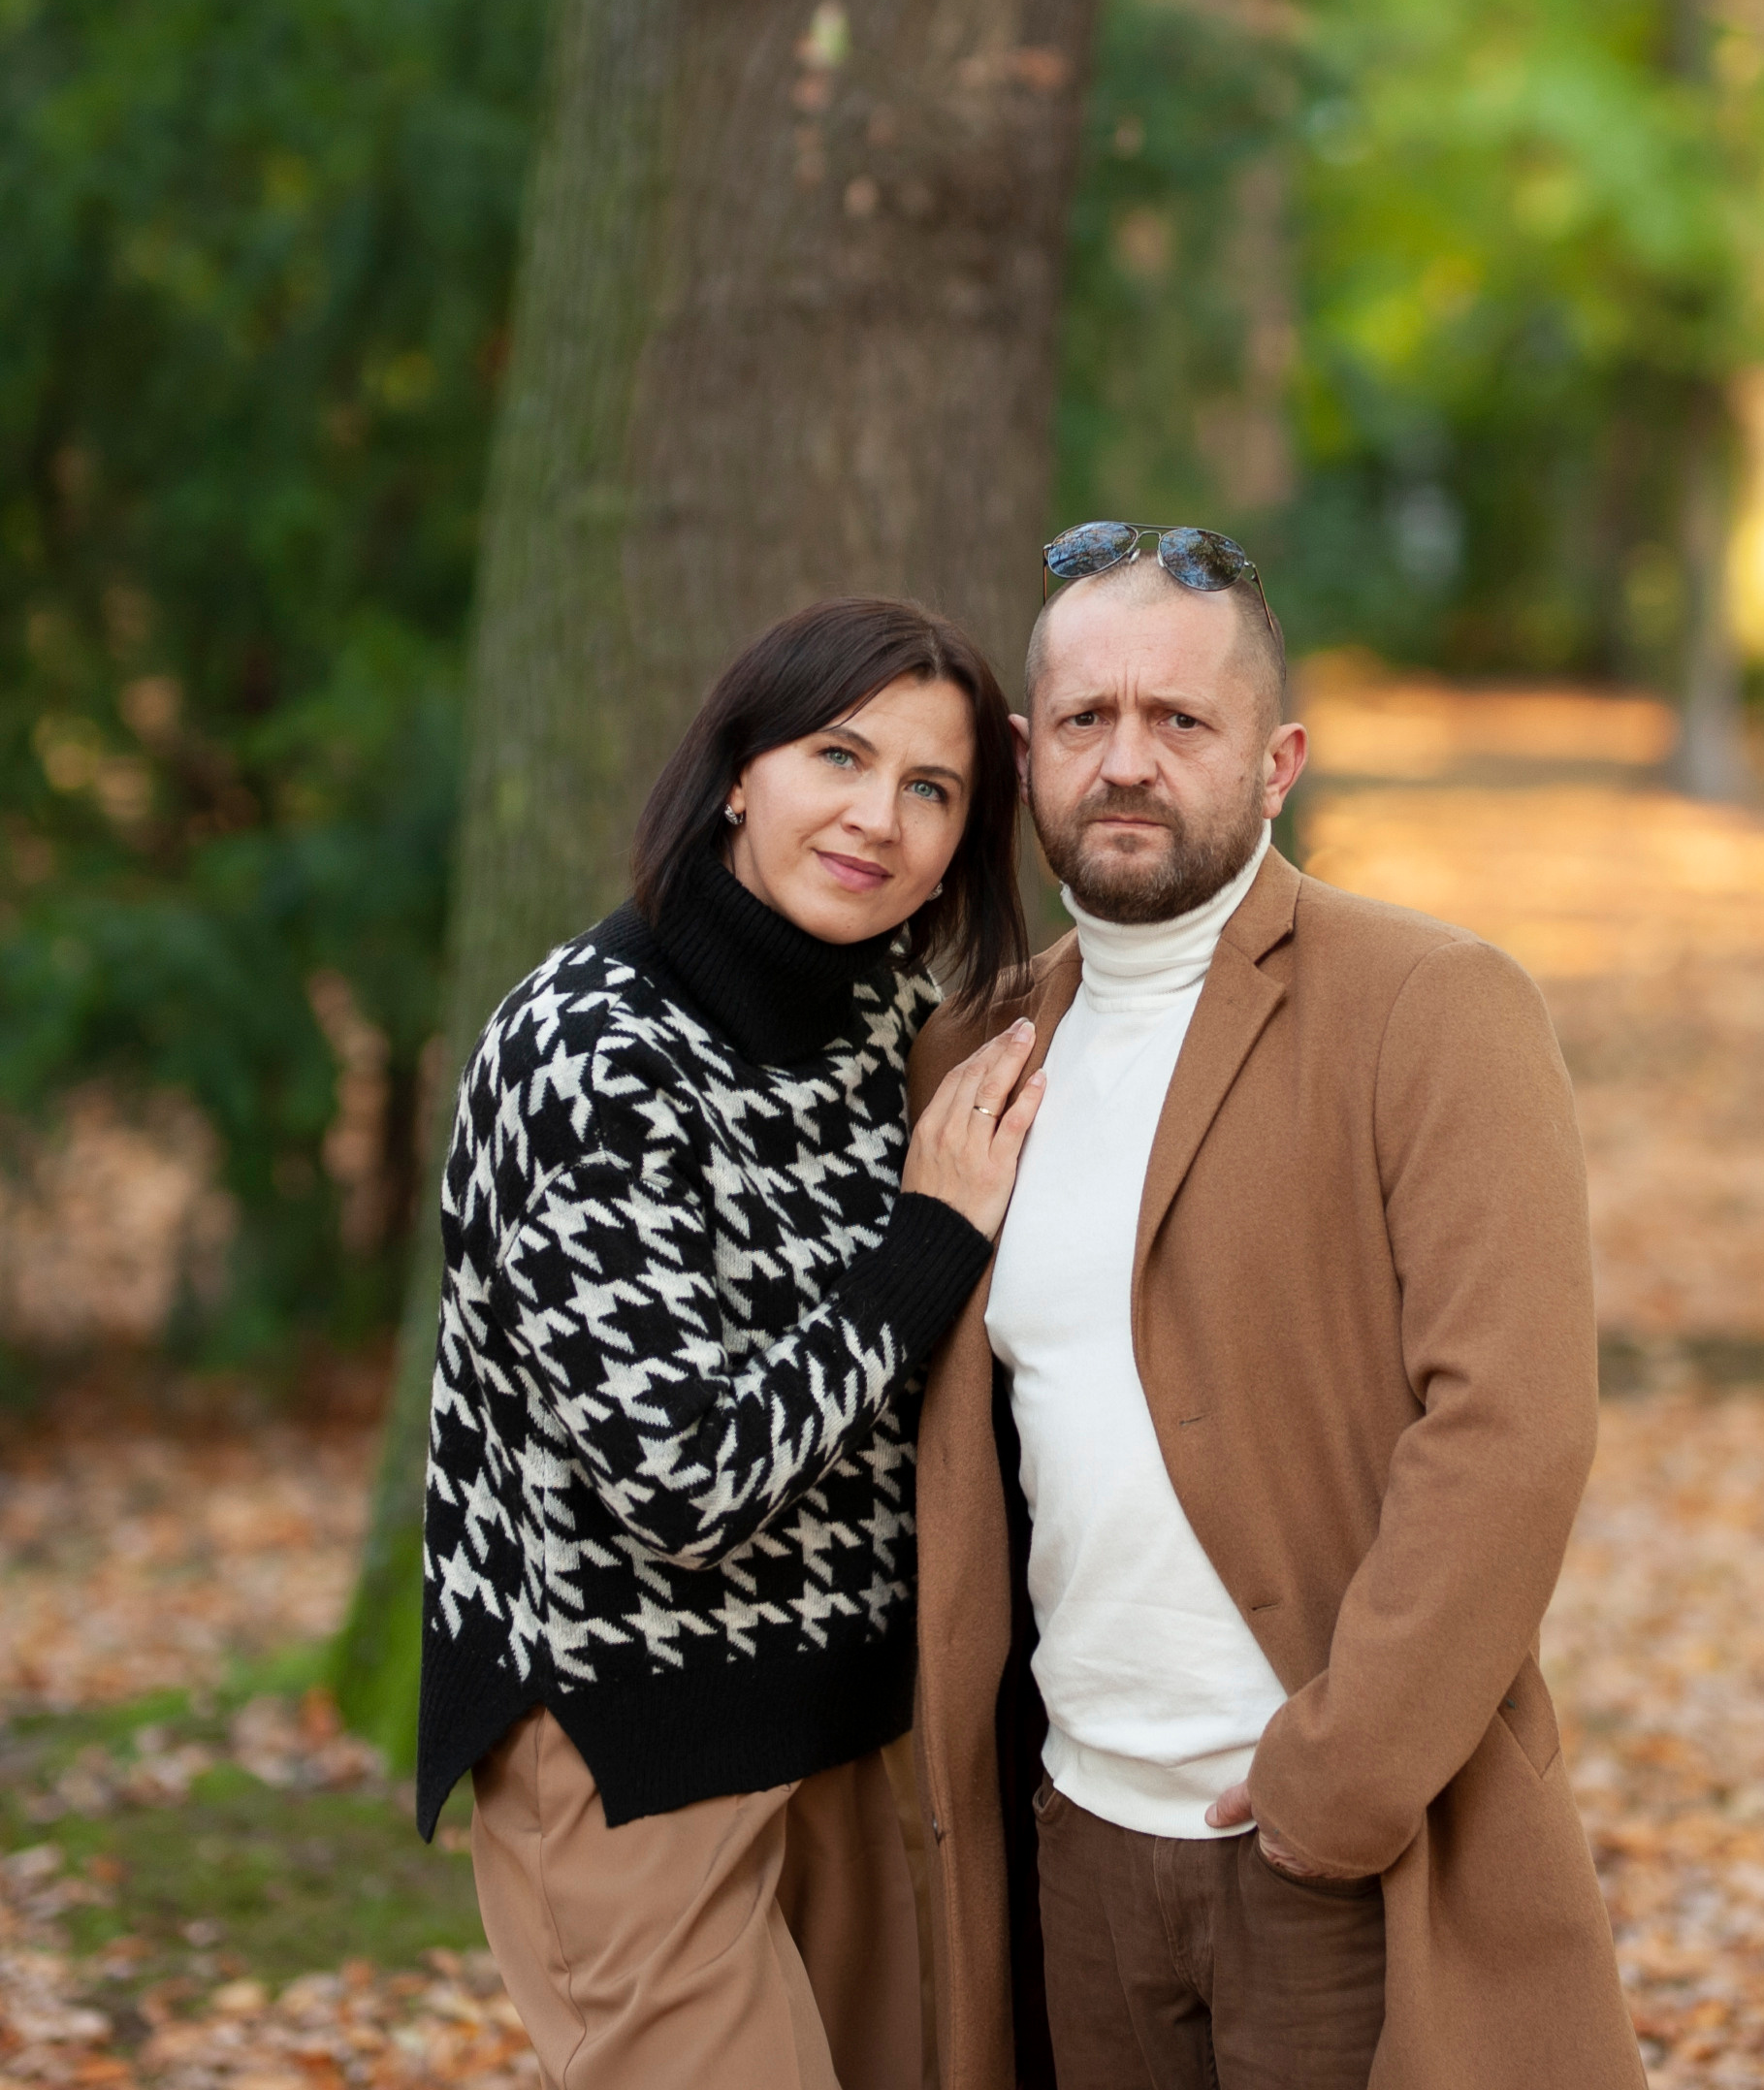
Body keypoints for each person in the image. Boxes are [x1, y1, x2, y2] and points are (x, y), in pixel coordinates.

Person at [909, 524, 1647, 2090]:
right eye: (1090, 722)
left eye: (1180, 722)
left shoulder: (1427, 1007)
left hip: (1324, 1848)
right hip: (1074, 1842)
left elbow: (1511, 1426)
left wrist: (1339, 1781)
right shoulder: (977, 1056)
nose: (1128, 762)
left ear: (1274, 759)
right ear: (1030, 754)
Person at [415, 596, 1049, 2090]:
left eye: (930, 788)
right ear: (737, 773)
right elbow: (681, 1478)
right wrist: (927, 1240)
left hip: (849, 1722)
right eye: (839, 755)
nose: (875, 818)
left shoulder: (884, 1022)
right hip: (627, 1734)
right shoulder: (588, 1051)